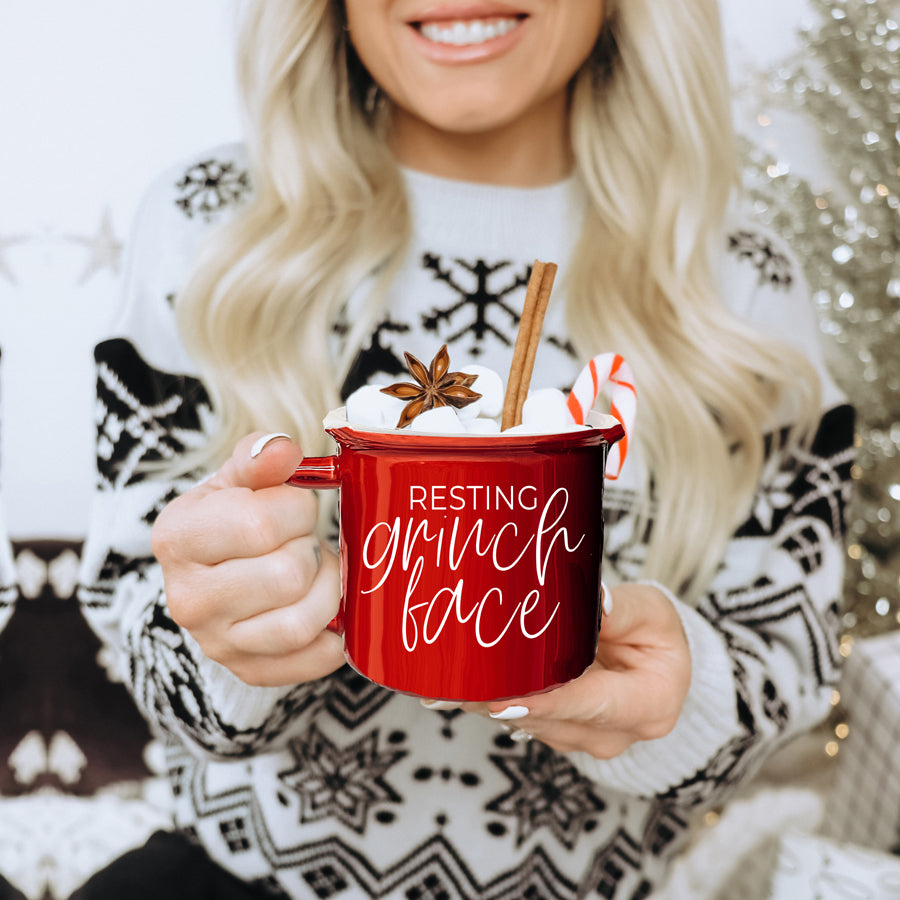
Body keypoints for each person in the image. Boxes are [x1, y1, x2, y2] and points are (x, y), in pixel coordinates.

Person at [75, 0, 855, 897]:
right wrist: (229, 640)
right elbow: (135, 603)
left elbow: (789, 656)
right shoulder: (207, 226)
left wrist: (677, 706)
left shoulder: (739, 281)